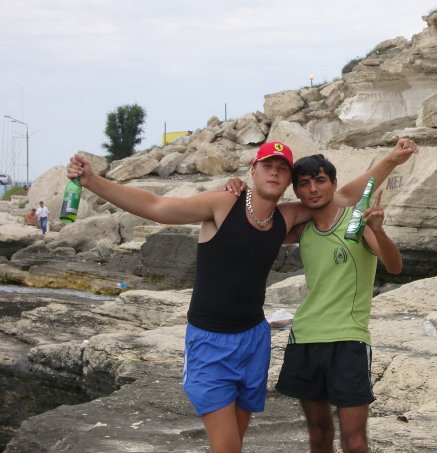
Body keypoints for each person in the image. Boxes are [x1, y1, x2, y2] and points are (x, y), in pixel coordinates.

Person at [67, 139, 416, 453]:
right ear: (253, 170)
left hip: (253, 340)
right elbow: (157, 205)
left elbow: (342, 196)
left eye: (282, 169)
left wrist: (390, 161)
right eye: (268, 166)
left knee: (236, 438)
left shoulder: (286, 217)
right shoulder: (223, 204)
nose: (274, 172)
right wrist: (93, 181)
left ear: (288, 181)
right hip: (209, 340)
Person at [275, 154, 408, 453]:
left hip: (349, 339)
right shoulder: (302, 230)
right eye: (304, 184)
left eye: (320, 181)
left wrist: (379, 230)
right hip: (305, 338)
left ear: (334, 184)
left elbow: (395, 266)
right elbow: (261, 223)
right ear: (296, 191)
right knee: (318, 434)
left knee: (355, 441)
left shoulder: (357, 222)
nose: (313, 189)